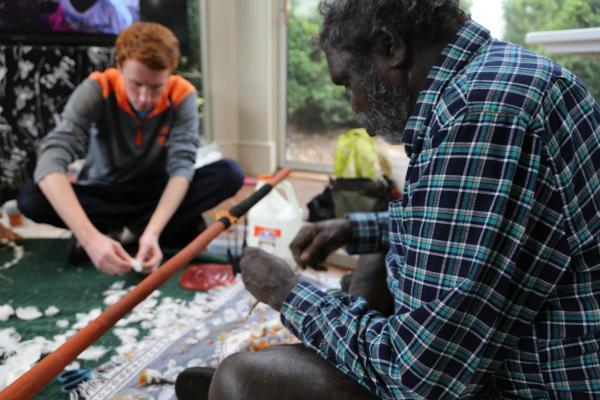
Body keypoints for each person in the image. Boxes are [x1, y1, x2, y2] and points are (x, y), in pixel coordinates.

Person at [205, 0, 600, 399]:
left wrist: (287, 292)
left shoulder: (480, 115)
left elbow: (419, 377)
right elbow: (478, 230)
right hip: (519, 339)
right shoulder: (499, 75)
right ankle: (326, 357)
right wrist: (356, 227)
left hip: (534, 382)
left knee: (238, 379)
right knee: (379, 255)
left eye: (347, 84)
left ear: (390, 46)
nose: (355, 108)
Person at [17, 22, 244, 276]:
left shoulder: (183, 95)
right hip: (104, 194)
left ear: (170, 73)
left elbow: (182, 166)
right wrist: (90, 239)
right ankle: (133, 231)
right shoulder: (96, 89)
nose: (145, 98)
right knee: (30, 198)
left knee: (230, 173)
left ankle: (132, 232)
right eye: (136, 84)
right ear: (119, 65)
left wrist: (152, 232)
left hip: (155, 194)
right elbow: (51, 159)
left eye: (156, 87)